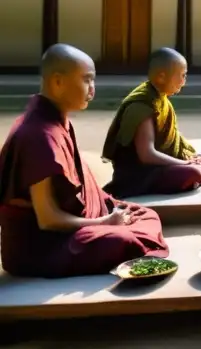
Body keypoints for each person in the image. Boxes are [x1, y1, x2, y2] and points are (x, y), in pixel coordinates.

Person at [0, 44, 169, 278]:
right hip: (41, 246)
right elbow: (48, 219)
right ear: (58, 82)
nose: (92, 90)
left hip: (71, 227)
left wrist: (109, 209)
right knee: (120, 239)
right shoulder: (38, 135)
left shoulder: (57, 120)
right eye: (87, 80)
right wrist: (106, 222)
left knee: (146, 215)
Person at [101, 47, 201, 198]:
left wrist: (189, 157)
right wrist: (184, 164)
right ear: (161, 77)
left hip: (156, 168)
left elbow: (174, 138)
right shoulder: (141, 105)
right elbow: (146, 155)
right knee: (194, 172)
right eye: (182, 75)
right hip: (140, 175)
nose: (183, 81)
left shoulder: (161, 99)